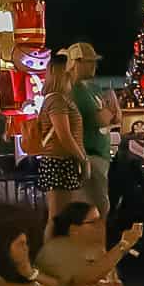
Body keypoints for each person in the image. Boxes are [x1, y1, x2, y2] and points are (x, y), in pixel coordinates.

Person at [62, 42, 115, 213]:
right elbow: (103, 118)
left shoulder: (92, 87)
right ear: (76, 63)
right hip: (88, 155)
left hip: (99, 155)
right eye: (89, 62)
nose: (94, 65)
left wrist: (109, 112)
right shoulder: (75, 91)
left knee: (100, 205)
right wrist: (108, 111)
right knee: (97, 207)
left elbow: (113, 114)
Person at [35, 55, 89, 218]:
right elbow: (64, 135)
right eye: (71, 68)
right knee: (58, 216)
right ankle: (53, 243)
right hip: (58, 161)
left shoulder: (60, 99)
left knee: (63, 216)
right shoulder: (57, 100)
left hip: (61, 160)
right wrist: (83, 159)